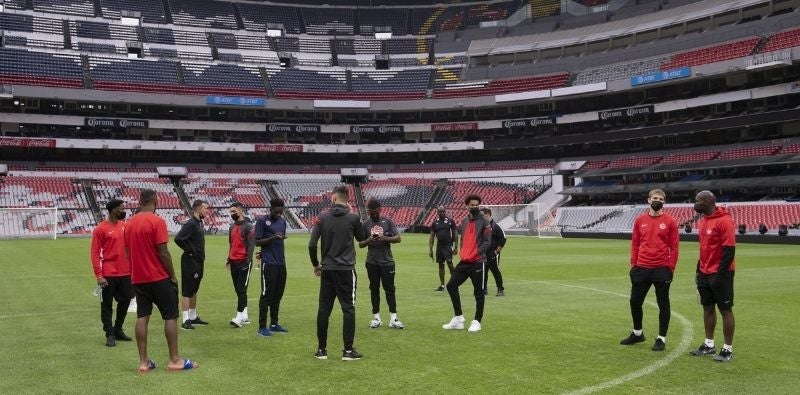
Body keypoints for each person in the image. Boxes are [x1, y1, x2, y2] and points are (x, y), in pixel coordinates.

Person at [124, 189, 196, 373]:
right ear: (155, 200)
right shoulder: (157, 221)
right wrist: (172, 275)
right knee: (170, 315)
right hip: (158, 277)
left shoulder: (129, 223)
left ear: (140, 201)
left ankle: (143, 362)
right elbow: (163, 252)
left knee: (142, 316)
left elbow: (127, 252)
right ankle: (174, 360)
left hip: (138, 278)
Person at [309, 186, 368, 360]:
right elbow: (362, 238)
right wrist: (354, 216)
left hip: (327, 269)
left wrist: (316, 264)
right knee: (348, 309)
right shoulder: (353, 217)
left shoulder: (322, 217)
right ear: (347, 199)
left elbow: (312, 244)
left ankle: (322, 350)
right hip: (346, 270)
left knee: (324, 309)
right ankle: (348, 351)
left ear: (333, 198)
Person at [619, 189, 679, 352]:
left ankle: (661, 338)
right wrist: (634, 265)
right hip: (641, 268)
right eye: (654, 198)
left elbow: (674, 248)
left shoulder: (670, 222)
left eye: (660, 198)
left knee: (663, 304)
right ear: (648, 200)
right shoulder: (640, 220)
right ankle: (638, 333)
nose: (657, 200)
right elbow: (635, 244)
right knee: (634, 301)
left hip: (661, 269)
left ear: (664, 202)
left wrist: (670, 268)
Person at [689, 190, 736, 362]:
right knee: (707, 307)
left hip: (721, 274)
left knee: (725, 310)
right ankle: (709, 345)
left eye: (698, 201)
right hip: (704, 272)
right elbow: (704, 249)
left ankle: (727, 349)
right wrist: (698, 270)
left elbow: (729, 250)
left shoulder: (724, 221)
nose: (695, 204)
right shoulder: (703, 222)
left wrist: (720, 275)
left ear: (708, 202)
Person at [442, 194, 492, 333]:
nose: (475, 207)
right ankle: (458, 319)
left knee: (478, 292)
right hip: (465, 261)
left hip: (478, 261)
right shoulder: (464, 221)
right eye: (472, 204)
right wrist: (464, 252)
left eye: (477, 204)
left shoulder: (484, 221)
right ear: (467, 205)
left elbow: (488, 241)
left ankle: (477, 321)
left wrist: (476, 252)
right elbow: (463, 239)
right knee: (451, 286)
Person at [90, 198, 133, 347]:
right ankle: (109, 334)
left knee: (126, 300)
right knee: (107, 305)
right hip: (108, 273)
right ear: (113, 209)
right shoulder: (100, 229)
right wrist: (99, 275)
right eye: (121, 208)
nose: (123, 211)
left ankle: (118, 329)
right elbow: (95, 253)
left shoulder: (124, 226)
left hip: (126, 272)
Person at [359, 198, 404, 330]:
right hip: (372, 261)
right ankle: (376, 318)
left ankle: (393, 318)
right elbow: (361, 244)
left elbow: (398, 238)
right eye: (370, 212)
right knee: (374, 289)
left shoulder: (388, 221)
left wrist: (384, 238)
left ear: (380, 210)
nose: (372, 215)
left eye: (374, 212)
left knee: (390, 289)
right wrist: (370, 239)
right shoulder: (365, 224)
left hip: (387, 261)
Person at [255, 198, 290, 337]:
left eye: (281, 212)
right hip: (269, 264)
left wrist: (278, 238)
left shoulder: (282, 221)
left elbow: (279, 238)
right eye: (277, 212)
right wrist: (273, 238)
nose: (279, 214)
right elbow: (257, 242)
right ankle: (262, 327)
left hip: (281, 263)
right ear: (271, 209)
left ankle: (274, 324)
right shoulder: (262, 221)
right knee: (266, 295)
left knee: (277, 295)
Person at [174, 199, 209, 331]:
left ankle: (193, 317)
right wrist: (190, 251)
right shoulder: (191, 224)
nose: (207, 211)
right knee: (187, 291)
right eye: (205, 208)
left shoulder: (199, 223)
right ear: (199, 209)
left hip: (198, 261)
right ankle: (185, 320)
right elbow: (178, 239)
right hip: (190, 262)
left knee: (194, 289)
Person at [227, 202, 255, 328]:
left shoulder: (249, 227)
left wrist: (247, 262)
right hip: (233, 262)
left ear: (240, 211)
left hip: (244, 262)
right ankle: (245, 317)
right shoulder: (231, 227)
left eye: (234, 211)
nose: (232, 214)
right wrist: (228, 258)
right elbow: (231, 244)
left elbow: (251, 246)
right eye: (231, 212)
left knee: (241, 290)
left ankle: (238, 318)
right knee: (238, 290)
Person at [429, 206, 458, 291]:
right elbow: (432, 236)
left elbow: (455, 234)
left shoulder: (450, 221)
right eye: (440, 212)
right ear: (437, 213)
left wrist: (456, 246)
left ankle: (455, 284)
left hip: (448, 245)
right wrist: (430, 249)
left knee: (450, 264)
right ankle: (442, 286)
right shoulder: (435, 223)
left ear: (445, 212)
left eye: (443, 211)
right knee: (441, 265)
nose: (442, 213)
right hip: (439, 246)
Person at [480, 208, 507, 297]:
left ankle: (500, 289)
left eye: (483, 215)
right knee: (484, 271)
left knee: (495, 270)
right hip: (484, 253)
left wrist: (496, 251)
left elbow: (503, 239)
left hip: (493, 253)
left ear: (488, 214)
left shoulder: (496, 226)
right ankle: (484, 290)